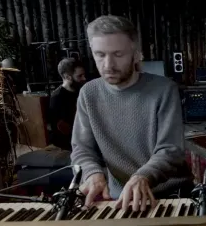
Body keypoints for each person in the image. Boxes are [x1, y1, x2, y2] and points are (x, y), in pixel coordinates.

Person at [71, 15, 193, 212]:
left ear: (136, 55)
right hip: (117, 199)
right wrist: (92, 173)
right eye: (100, 55)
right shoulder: (88, 93)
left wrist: (142, 176)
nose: (108, 65)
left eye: (118, 54)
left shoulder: (164, 89)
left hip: (169, 195)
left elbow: (170, 150)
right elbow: (81, 148)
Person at [49, 58, 86, 150]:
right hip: (68, 143)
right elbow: (62, 129)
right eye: (80, 76)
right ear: (67, 77)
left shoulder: (82, 91)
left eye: (84, 75)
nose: (84, 78)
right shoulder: (57, 97)